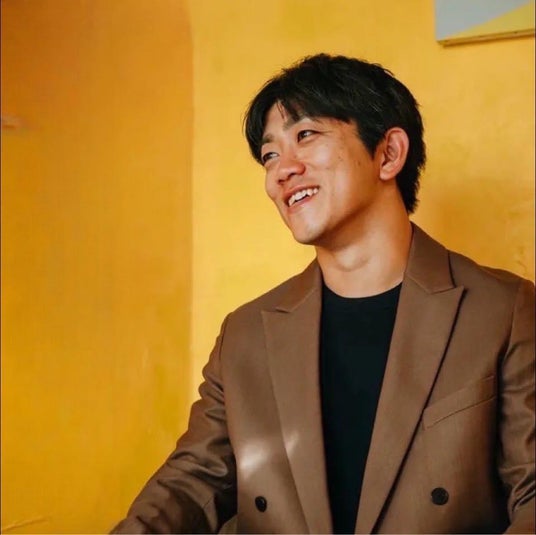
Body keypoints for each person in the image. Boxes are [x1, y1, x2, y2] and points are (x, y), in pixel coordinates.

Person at [112, 54, 534, 534]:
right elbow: (192, 484)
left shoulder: (502, 310)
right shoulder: (247, 333)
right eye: (270, 155)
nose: (281, 170)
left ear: (389, 154)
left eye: (306, 135)